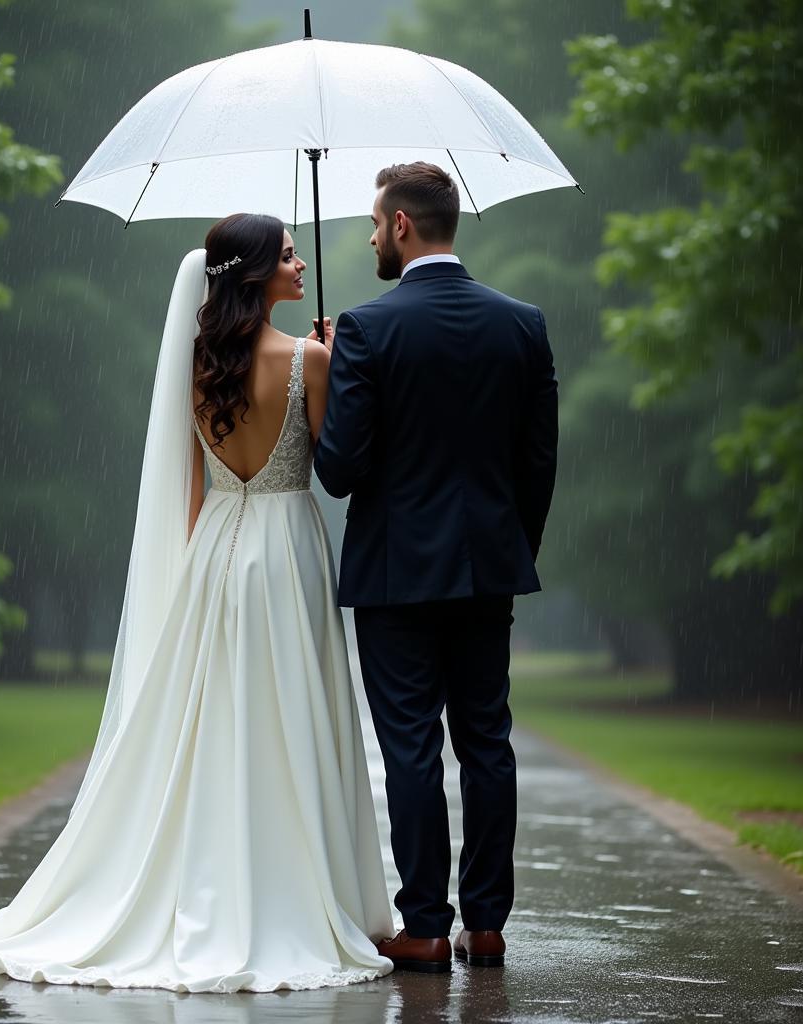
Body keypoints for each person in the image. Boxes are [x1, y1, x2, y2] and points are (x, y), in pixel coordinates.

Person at [0, 213, 395, 992]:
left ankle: (212, 869)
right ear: (257, 275)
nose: (299, 265)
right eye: (289, 256)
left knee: (214, 720)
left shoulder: (197, 367)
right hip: (288, 550)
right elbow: (334, 466)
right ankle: (302, 881)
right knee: (295, 711)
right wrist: (335, 361)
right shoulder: (311, 360)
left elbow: (192, 489)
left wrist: (199, 567)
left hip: (215, 553)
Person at [314, 162, 558, 973]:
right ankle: (486, 924)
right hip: (489, 568)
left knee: (412, 748)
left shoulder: (366, 330)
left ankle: (424, 925)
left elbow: (340, 470)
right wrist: (507, 544)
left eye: (375, 224)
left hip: (395, 576)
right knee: (488, 743)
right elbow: (538, 462)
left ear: (402, 227)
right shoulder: (522, 323)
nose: (371, 237)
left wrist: (333, 377)